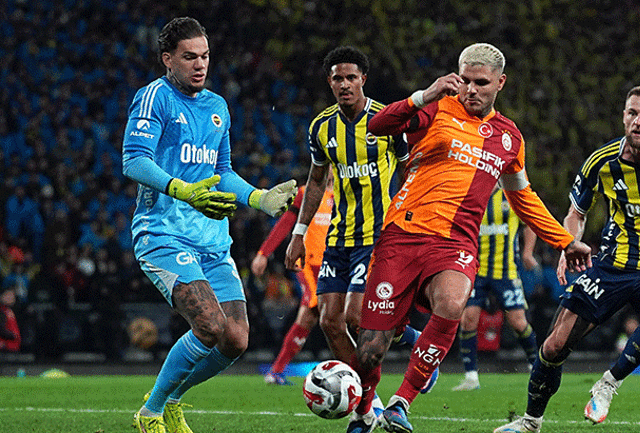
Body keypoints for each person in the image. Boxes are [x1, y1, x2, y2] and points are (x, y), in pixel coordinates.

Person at [349, 42, 592, 433]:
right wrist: (423, 95)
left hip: (455, 244)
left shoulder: (509, 137)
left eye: (481, 82)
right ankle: (363, 412)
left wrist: (565, 240)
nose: (471, 89)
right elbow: (377, 126)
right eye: (465, 80)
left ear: (500, 83)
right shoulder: (436, 108)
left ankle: (400, 403)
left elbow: (523, 198)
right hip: (402, 237)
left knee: (452, 303)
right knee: (370, 352)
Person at [494, 85, 640, 433]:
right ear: (623, 116)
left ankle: (609, 383)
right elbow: (577, 212)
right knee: (553, 347)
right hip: (612, 267)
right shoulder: (602, 162)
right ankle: (530, 421)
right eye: (632, 113)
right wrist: (569, 244)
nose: (638, 121)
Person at [122, 17, 296, 433]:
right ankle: (150, 412)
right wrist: (182, 190)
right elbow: (134, 160)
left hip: (212, 242)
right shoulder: (154, 98)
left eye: (204, 56)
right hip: (163, 233)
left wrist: (260, 198)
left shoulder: (217, 106)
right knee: (209, 326)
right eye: (189, 57)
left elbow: (223, 172)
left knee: (235, 339)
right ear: (168, 59)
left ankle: (173, 399)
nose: (200, 65)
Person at [283, 46, 438, 432]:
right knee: (330, 321)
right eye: (338, 78)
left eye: (351, 77)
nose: (344, 84)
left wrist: (412, 221)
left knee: (357, 316)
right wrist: (299, 233)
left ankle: (407, 342)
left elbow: (410, 171)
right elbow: (316, 181)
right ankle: (367, 409)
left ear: (363, 80)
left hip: (378, 236)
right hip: (339, 239)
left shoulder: (387, 121)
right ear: (330, 82)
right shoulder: (321, 127)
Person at [453, 187, 540, 391]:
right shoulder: (472, 193)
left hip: (506, 271)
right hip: (476, 271)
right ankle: (471, 377)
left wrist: (527, 253)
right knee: (468, 319)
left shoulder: (511, 193)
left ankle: (536, 366)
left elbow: (530, 223)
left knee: (518, 322)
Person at [251, 178, 334, 385]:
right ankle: (352, 368)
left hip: (334, 264)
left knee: (308, 318)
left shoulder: (345, 194)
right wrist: (263, 253)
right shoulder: (306, 193)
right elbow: (286, 222)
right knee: (321, 308)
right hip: (308, 264)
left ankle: (276, 372)